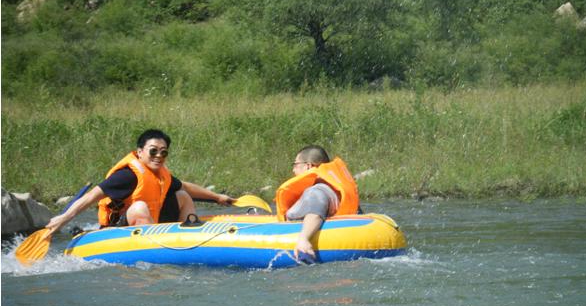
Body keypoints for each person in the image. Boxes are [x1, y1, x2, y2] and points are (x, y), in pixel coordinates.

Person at [45, 129, 234, 236]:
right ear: (140, 152)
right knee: (139, 207)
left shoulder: (161, 175)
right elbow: (91, 197)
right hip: (118, 231)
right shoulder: (127, 176)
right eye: (153, 151)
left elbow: (184, 186)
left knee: (182, 196)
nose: (158, 156)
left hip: (150, 226)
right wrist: (64, 218)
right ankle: (157, 247)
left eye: (163, 152)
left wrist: (217, 197)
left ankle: (190, 236)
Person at [275, 145, 360, 262]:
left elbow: (315, 213)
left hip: (315, 241)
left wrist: (303, 239)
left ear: (308, 166)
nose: (293, 170)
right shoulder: (334, 190)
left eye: (295, 165)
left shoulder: (316, 191)